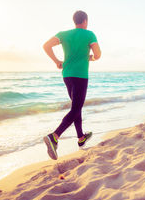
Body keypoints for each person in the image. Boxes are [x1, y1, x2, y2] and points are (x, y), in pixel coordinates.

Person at [42, 10, 101, 160]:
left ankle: (81, 137)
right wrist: (91, 58)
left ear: (74, 21)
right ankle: (54, 136)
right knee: (76, 108)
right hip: (81, 75)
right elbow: (98, 54)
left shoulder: (63, 34)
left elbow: (46, 46)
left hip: (67, 75)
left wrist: (57, 62)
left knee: (76, 107)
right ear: (85, 21)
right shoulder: (89, 34)